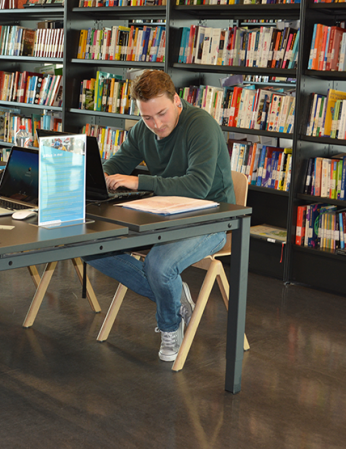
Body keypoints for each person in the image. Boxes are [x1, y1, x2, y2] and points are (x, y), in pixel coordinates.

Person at [84, 70, 234, 362]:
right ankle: (175, 297)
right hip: (164, 216)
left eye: (162, 114)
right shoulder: (144, 130)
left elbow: (197, 186)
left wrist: (139, 182)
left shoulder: (200, 125)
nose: (156, 124)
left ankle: (170, 324)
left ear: (177, 100)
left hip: (213, 218)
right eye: (147, 117)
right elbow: (116, 164)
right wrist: (96, 175)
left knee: (159, 265)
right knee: (90, 247)